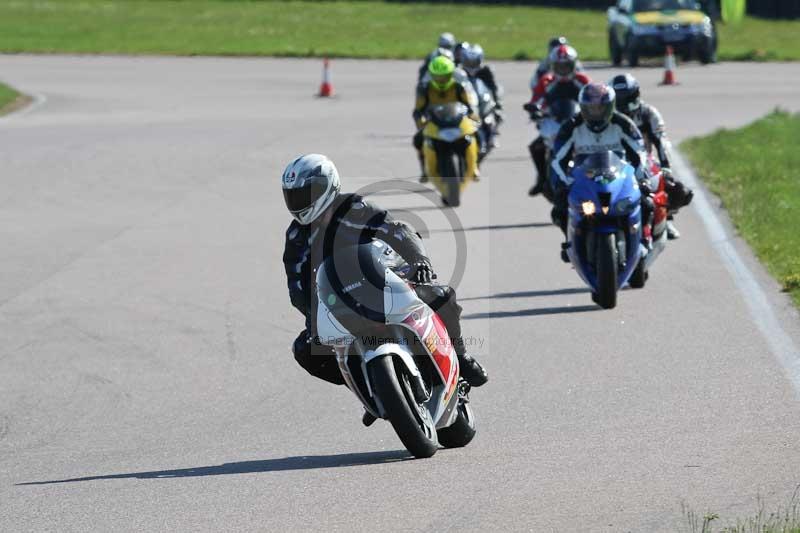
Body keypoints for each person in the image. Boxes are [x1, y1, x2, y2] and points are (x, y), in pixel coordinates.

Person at [281, 154, 489, 391]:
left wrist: (419, 261)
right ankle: (369, 387)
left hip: (387, 279)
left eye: (306, 193)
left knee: (441, 296)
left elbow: (398, 230)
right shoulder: (297, 237)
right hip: (340, 300)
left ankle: (460, 357)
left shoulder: (354, 209)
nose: (299, 201)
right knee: (305, 350)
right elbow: (296, 287)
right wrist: (313, 316)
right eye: (293, 195)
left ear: (327, 186)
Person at [550, 83, 652, 260]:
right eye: (591, 108)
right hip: (585, 179)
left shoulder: (623, 123)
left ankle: (644, 239)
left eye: (600, 108)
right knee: (559, 209)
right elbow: (557, 160)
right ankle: (569, 242)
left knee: (647, 203)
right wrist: (562, 183)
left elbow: (640, 153)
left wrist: (641, 178)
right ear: (583, 108)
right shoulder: (571, 126)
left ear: (610, 107)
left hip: (619, 177)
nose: (595, 113)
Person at [609, 73, 693, 239]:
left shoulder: (648, 113)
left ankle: (665, 218)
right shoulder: (605, 117)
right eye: (619, 101)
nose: (624, 105)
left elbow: (661, 140)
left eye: (628, 99)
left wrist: (666, 167)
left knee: (679, 191)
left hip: (644, 161)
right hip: (611, 164)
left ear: (636, 95)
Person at [525, 44, 591, 196]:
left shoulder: (582, 79)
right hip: (554, 121)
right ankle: (541, 178)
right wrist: (535, 110)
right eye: (560, 66)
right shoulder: (547, 81)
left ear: (573, 65)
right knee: (535, 147)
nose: (563, 70)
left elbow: (593, 96)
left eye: (566, 66)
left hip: (577, 122)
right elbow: (537, 99)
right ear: (553, 65)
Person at [412, 56, 480, 182]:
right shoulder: (425, 89)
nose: (441, 80)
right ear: (431, 75)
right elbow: (418, 110)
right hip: (434, 122)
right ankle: (424, 170)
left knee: (477, 134)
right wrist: (420, 123)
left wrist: (473, 117)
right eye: (437, 76)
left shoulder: (459, 87)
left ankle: (474, 165)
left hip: (457, 120)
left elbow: (470, 105)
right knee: (418, 140)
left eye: (444, 76)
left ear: (451, 74)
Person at [461, 44, 504, 114]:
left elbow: (493, 87)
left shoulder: (485, 71)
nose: (471, 64)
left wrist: (497, 102)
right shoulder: (460, 72)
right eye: (468, 61)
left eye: (474, 62)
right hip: (465, 102)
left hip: (483, 101)